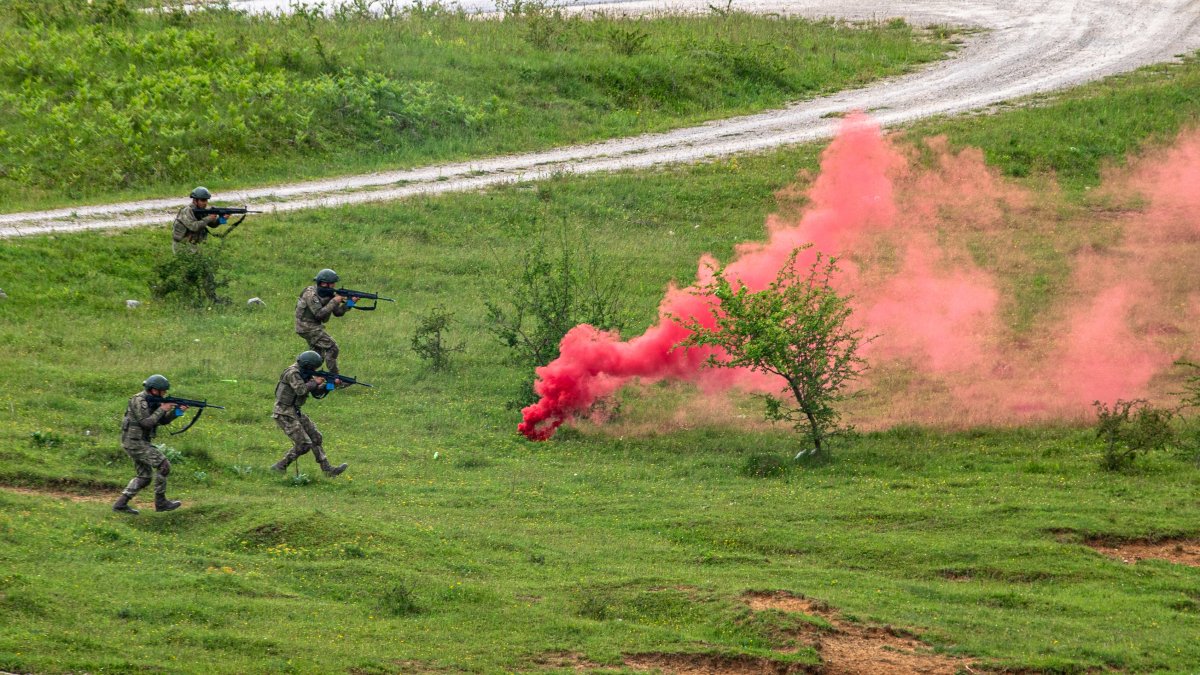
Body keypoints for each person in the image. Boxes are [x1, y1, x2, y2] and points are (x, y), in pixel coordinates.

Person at [112, 375, 184, 514]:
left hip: (139, 442)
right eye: (162, 391)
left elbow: (162, 421)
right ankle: (161, 502)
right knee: (164, 466)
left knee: (144, 477)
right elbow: (146, 422)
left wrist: (177, 411)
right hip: (135, 442)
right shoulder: (139, 401)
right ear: (153, 390)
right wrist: (162, 408)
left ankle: (120, 505)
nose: (165, 394)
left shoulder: (153, 401)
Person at [270, 351, 349, 477]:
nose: (314, 370)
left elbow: (316, 393)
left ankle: (327, 470)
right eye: (313, 368)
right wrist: (315, 382)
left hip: (295, 410)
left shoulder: (304, 372)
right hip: (284, 412)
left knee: (316, 437)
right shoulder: (293, 373)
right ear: (307, 366)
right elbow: (301, 390)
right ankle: (280, 466)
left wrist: (330, 384)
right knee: (304, 444)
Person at [295, 269, 358, 377]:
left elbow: (338, 313)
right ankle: (334, 378)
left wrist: (350, 302)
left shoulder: (328, 294)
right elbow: (319, 314)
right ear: (324, 283)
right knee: (332, 348)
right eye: (332, 283)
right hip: (307, 328)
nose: (334, 286)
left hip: (312, 327)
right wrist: (335, 300)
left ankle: (303, 377)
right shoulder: (310, 294)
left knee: (317, 357)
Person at [172, 186, 223, 253]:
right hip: (182, 246)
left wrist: (222, 219)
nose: (205, 203)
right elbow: (194, 227)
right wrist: (209, 218)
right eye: (202, 200)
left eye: (206, 200)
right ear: (195, 200)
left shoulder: (202, 210)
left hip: (194, 245)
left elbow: (213, 225)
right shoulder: (187, 211)